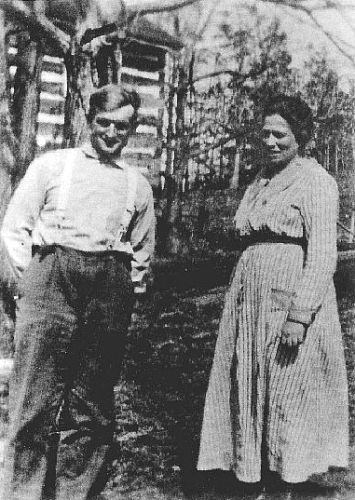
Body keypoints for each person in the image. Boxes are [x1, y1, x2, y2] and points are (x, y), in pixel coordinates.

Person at [0, 83, 155, 500]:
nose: (110, 133)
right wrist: (27, 287)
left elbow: (141, 250)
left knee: (91, 404)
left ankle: (75, 491)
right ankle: (22, 493)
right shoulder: (53, 166)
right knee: (33, 399)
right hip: (51, 278)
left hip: (109, 287)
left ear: (132, 128)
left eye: (121, 126)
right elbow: (15, 228)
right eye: (103, 123)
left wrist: (126, 294)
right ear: (89, 121)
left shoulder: (137, 184)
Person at [197, 94, 349, 494]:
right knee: (250, 383)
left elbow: (321, 255)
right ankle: (254, 475)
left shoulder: (317, 181)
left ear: (301, 136)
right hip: (250, 301)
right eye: (264, 133)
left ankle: (287, 482)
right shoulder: (260, 181)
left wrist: (299, 314)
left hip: (290, 298)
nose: (270, 141)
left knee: (287, 390)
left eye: (280, 134)